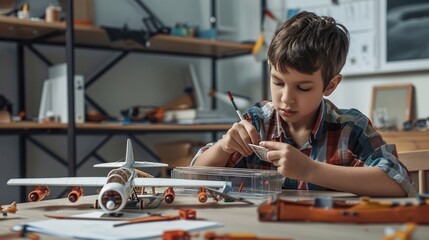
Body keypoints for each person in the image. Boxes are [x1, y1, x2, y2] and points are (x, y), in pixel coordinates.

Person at [191, 11, 413, 197]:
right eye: (278, 82)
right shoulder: (257, 122)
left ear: (330, 85)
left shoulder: (350, 128)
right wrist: (223, 146)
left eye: (303, 87)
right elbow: (192, 177)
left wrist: (310, 170)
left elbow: (399, 182)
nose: (286, 98)